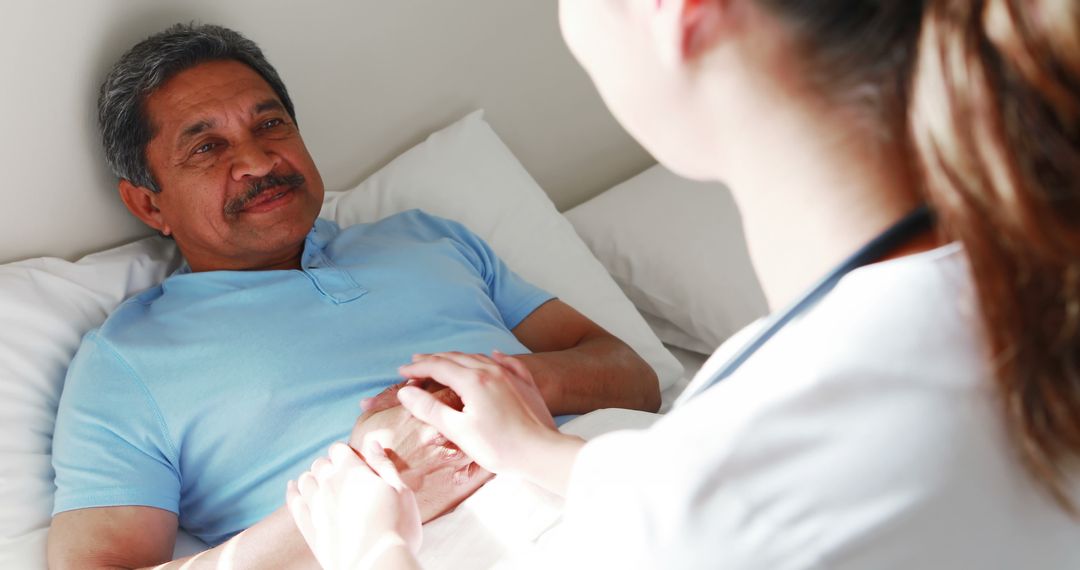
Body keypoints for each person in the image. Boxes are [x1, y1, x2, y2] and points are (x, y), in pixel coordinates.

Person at [287, 0, 1080, 568]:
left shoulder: (726, 496)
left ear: (675, 11)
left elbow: (726, 500)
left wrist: (372, 547)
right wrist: (542, 451)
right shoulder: (1021, 282)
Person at [46, 23, 661, 570]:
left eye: (271, 124)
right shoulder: (127, 360)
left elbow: (633, 376)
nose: (258, 160)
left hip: (624, 472)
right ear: (149, 203)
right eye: (207, 147)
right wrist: (364, 490)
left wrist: (494, 390)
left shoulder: (425, 237)